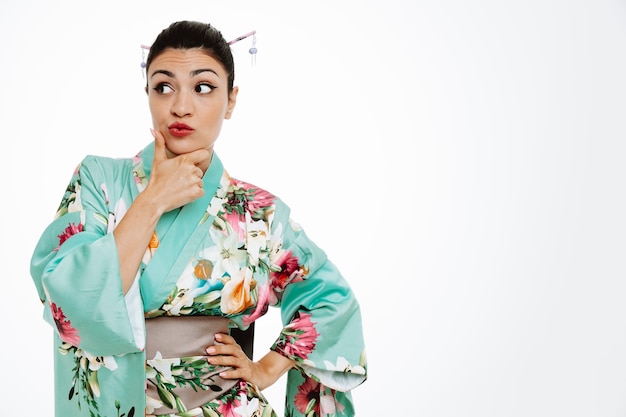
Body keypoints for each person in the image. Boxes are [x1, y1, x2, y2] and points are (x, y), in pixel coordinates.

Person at [30, 20, 367, 417]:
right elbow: (72, 301)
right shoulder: (98, 181)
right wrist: (153, 199)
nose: (181, 106)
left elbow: (331, 300)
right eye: (164, 86)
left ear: (231, 100)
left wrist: (267, 368)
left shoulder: (258, 211)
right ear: (148, 94)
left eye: (203, 87)